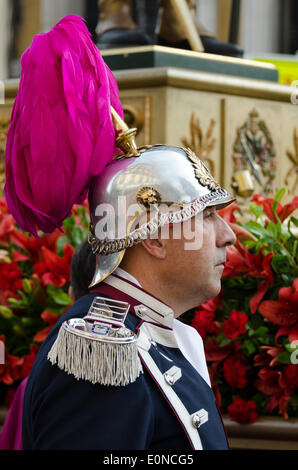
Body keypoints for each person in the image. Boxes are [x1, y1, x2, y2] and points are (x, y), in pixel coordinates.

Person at [4, 16, 237, 450]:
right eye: (206, 216)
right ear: (152, 237)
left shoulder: (154, 330)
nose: (229, 236)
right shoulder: (98, 346)